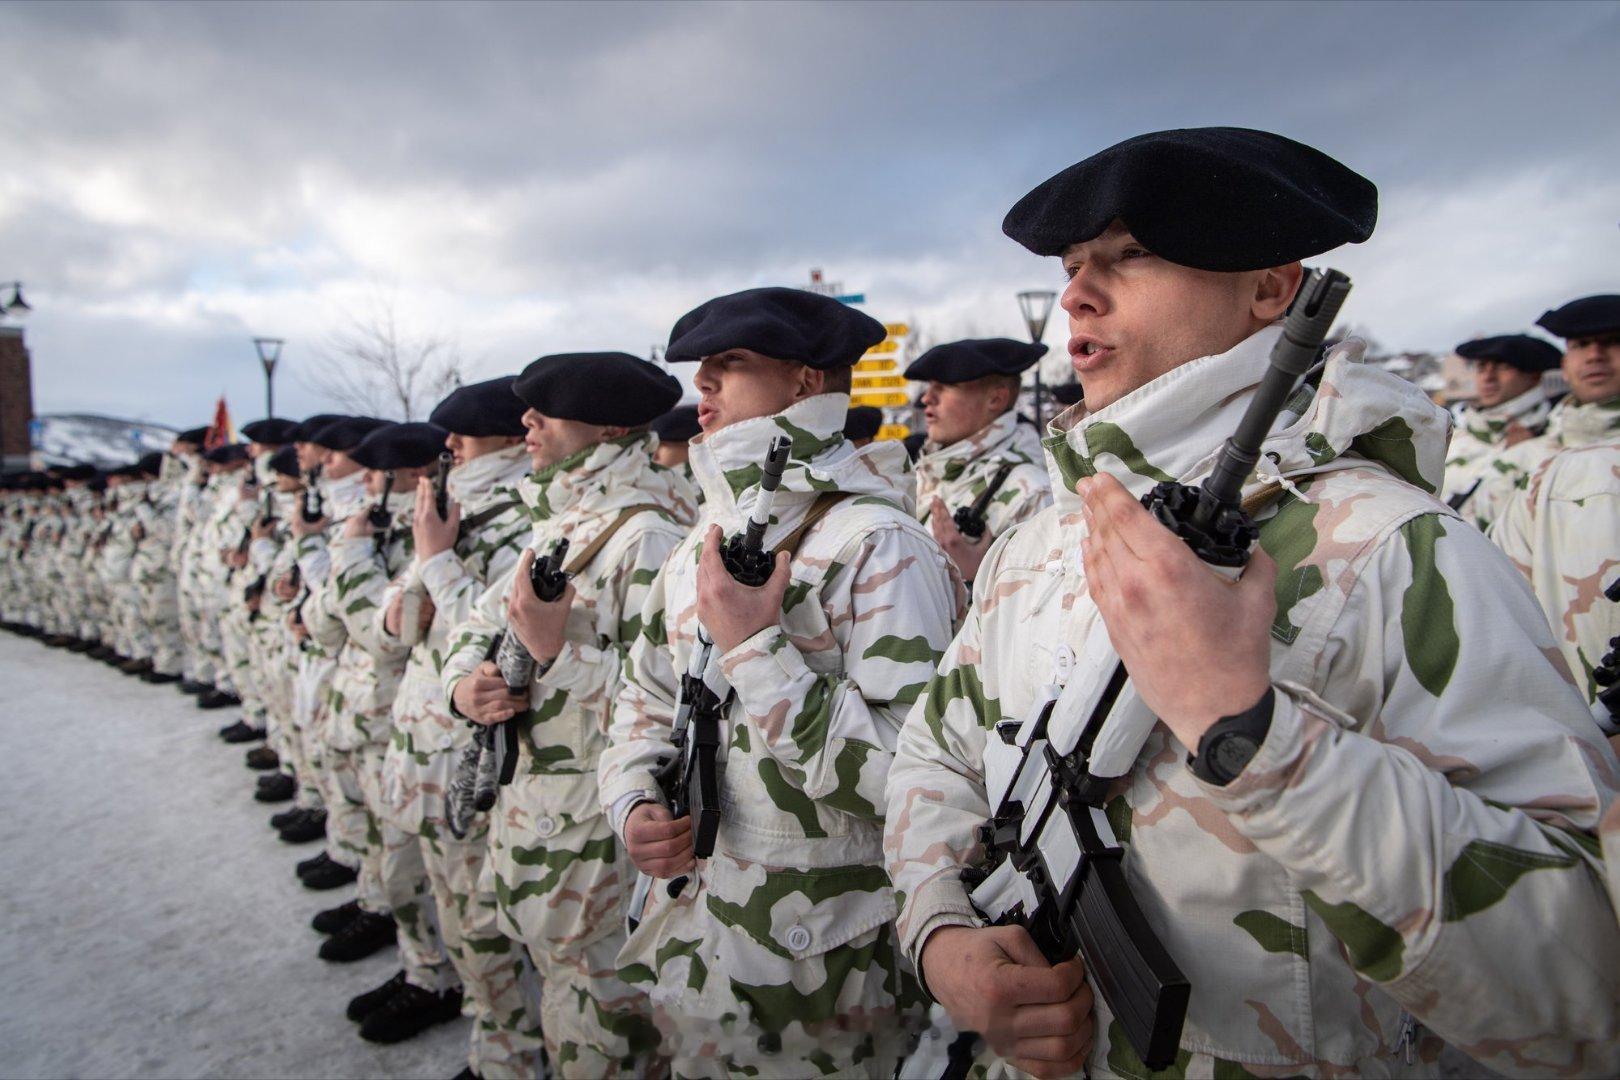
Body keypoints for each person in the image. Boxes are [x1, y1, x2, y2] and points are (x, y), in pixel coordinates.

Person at [884, 127, 1620, 1078]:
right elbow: (935, 750)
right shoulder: (1047, 534)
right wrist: (943, 936)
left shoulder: (1395, 549)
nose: (1076, 294)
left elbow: (1588, 979)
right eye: (1073, 266)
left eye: (1131, 256)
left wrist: (1254, 736)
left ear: (1272, 290)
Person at [598, 287, 964, 1077]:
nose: (703, 386)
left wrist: (758, 649)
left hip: (823, 974)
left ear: (802, 384)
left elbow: (918, 778)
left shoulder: (879, 546)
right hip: (703, 941)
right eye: (701, 370)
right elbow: (643, 702)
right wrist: (632, 800)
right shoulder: (704, 538)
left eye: (729, 365)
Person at [441, 353, 693, 1077]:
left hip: (595, 833)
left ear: (608, 426)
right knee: (567, 1001)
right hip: (540, 817)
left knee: (607, 1025)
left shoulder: (646, 536)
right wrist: (469, 685)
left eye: (545, 410)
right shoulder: (559, 519)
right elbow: (477, 628)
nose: (526, 423)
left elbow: (670, 697)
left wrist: (554, 654)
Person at [355, 378, 533, 1061]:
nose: (450, 447)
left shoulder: (520, 522)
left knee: (484, 921)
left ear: (511, 440)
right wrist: (428, 560)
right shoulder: (450, 512)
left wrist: (437, 562)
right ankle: (479, 1024)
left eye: (464, 436)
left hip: (474, 758)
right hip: (427, 747)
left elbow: (497, 645)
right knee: (457, 913)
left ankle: (509, 1056)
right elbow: (397, 628)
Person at [303, 421, 449, 977]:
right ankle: (389, 924)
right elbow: (325, 624)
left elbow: (382, 635)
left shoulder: (422, 537)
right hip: (359, 712)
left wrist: (354, 557)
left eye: (374, 471)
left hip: (394, 723)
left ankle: (428, 973)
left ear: (411, 475)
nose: (363, 480)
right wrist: (349, 551)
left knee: (404, 860)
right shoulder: (374, 530)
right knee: (375, 843)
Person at [1491, 294, 1620, 717]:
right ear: (1564, 364)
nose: (1595, 356)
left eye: (1612, 341)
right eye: (1580, 346)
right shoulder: (1530, 461)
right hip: (1563, 716)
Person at [907, 339, 1053, 582]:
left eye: (944, 386)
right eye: (929, 386)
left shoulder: (1032, 493)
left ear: (995, 400)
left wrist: (975, 578)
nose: (926, 398)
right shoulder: (929, 472)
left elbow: (1042, 609)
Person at [1439, 334, 1561, 528]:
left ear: (1533, 375)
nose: (1489, 377)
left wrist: (1524, 455)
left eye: (1503, 367)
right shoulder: (1450, 438)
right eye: (1481, 368)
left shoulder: (1560, 433)